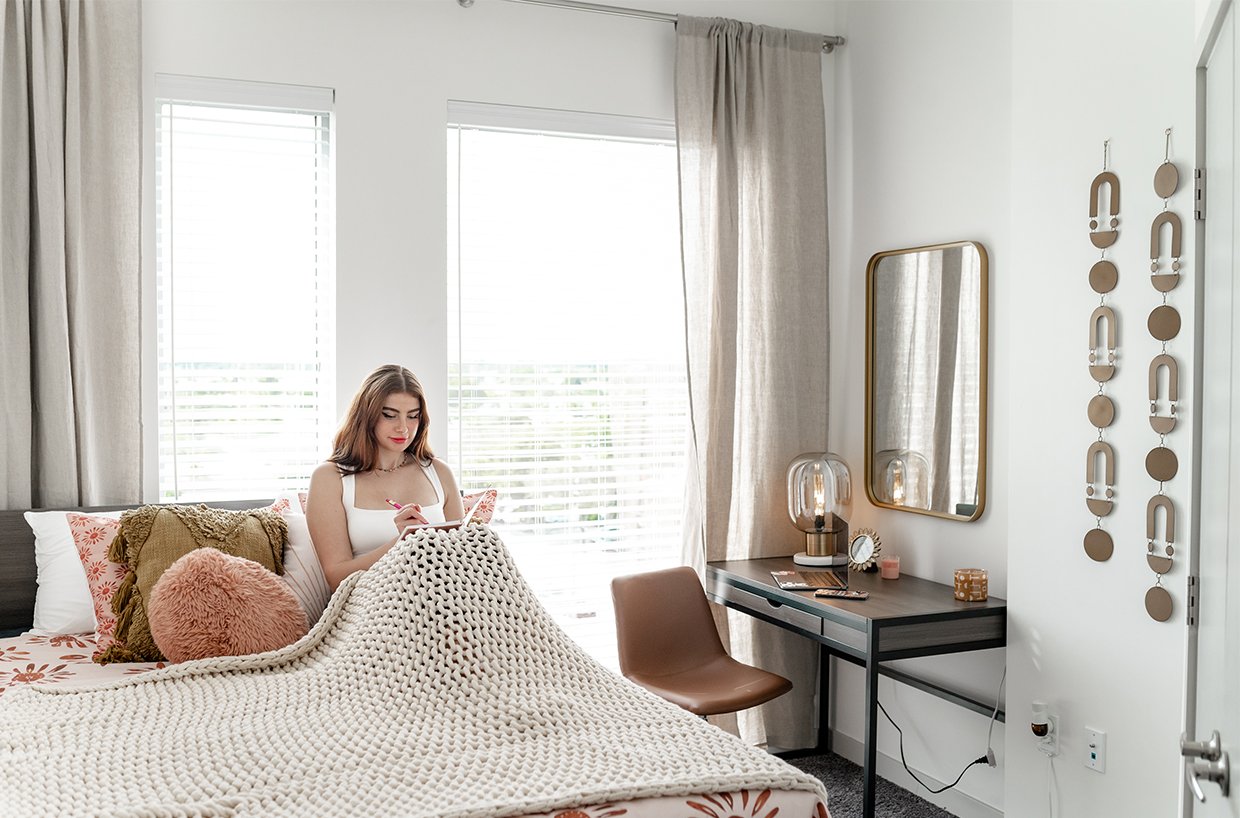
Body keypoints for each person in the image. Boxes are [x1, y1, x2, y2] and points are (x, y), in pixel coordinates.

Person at [307, 365, 465, 591]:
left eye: (413, 416)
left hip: (441, 597)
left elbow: (461, 559)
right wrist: (403, 542)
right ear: (366, 416)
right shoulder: (330, 478)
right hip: (371, 606)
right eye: (390, 415)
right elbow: (335, 578)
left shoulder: (439, 472)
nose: (403, 428)